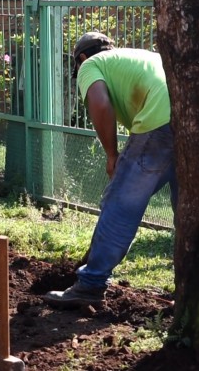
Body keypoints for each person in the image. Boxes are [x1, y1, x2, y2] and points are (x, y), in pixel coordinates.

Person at [43, 32, 178, 307]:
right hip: (192, 119)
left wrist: (112, 154)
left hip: (159, 124)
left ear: (81, 58)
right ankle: (193, 288)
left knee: (120, 204)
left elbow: (101, 105)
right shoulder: (140, 57)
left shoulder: (91, 65)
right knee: (186, 210)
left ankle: (90, 284)